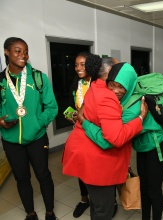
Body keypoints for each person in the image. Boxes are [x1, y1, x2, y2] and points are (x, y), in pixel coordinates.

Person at [79, 62, 163, 220]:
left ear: (129, 85)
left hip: (156, 145)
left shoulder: (134, 106)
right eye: (112, 85)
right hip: (141, 145)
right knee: (144, 186)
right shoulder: (121, 99)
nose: (115, 91)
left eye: (121, 87)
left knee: (154, 190)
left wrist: (84, 121)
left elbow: (111, 138)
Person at [62, 54, 148, 220]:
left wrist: (84, 120)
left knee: (97, 205)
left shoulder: (94, 84)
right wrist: (140, 119)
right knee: (104, 210)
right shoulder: (108, 97)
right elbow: (113, 139)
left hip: (85, 155)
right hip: (96, 163)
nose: (116, 89)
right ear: (108, 73)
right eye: (115, 70)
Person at [0, 37, 58, 220]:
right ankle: (30, 213)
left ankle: (50, 212)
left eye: (25, 51)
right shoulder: (1, 81)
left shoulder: (39, 78)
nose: (23, 55)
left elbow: (52, 107)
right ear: (6, 52)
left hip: (37, 138)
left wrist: (36, 123)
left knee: (43, 175)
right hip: (11, 140)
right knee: (22, 179)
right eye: (18, 51)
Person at [66, 53, 118, 218]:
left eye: (83, 64)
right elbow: (78, 106)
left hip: (98, 136)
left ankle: (109, 202)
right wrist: (75, 115)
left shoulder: (100, 85)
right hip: (84, 135)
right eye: (76, 65)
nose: (79, 68)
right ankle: (86, 200)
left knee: (103, 179)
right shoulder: (78, 84)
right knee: (85, 175)